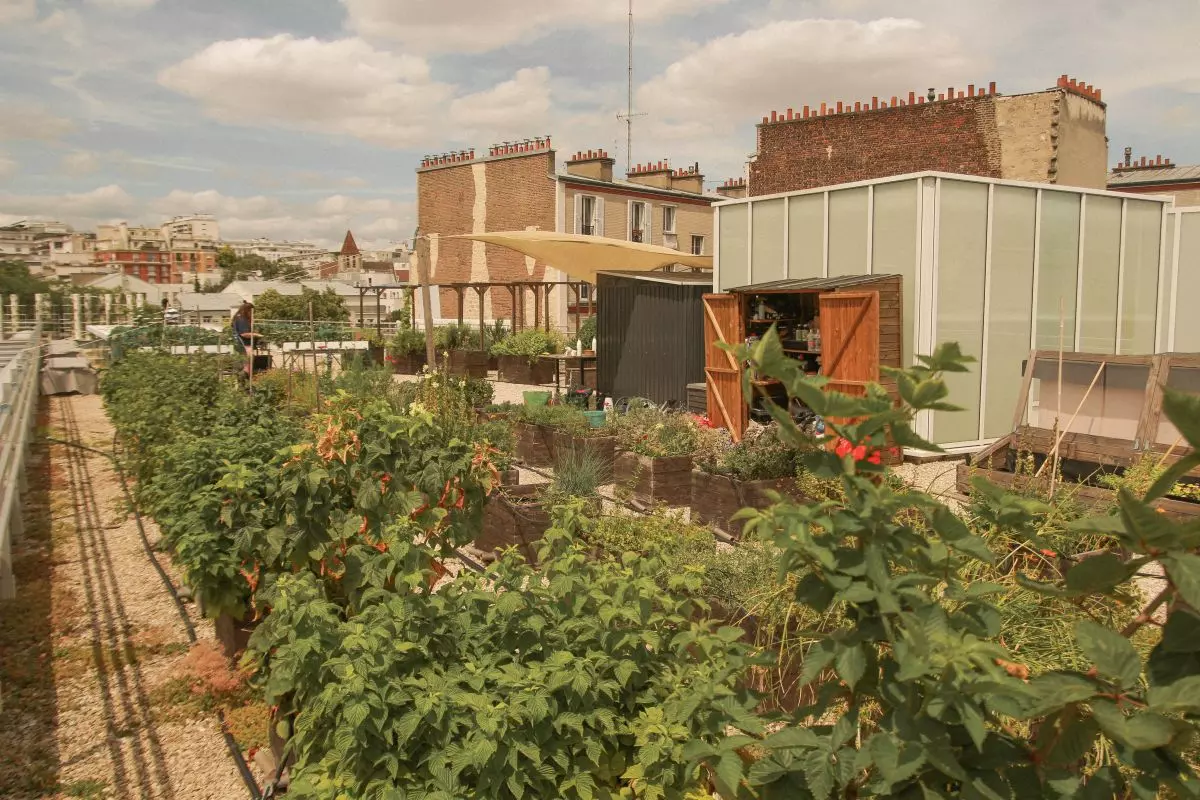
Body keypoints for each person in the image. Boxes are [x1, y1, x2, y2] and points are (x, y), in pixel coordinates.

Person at [232, 301, 260, 380]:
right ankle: (245, 386)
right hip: (244, 345)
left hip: (240, 345)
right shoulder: (242, 319)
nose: (252, 314)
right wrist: (256, 335)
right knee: (246, 366)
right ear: (247, 310)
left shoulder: (238, 317)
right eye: (251, 312)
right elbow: (244, 334)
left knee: (242, 364)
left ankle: (242, 384)